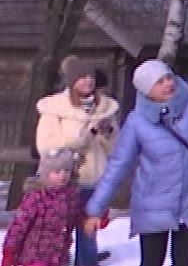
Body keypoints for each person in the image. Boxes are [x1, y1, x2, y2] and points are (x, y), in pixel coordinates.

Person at [84, 60, 188, 266]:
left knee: (184, 262)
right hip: (152, 203)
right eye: (159, 82)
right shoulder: (137, 121)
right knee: (152, 262)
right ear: (146, 90)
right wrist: (95, 209)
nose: (168, 84)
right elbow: (118, 166)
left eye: (168, 77)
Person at [37, 58, 121, 266]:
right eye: (82, 77)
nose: (88, 82)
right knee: (59, 228)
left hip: (95, 178)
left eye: (91, 77)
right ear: (72, 81)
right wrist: (82, 135)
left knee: (89, 226)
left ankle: (87, 261)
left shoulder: (105, 108)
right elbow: (46, 146)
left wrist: (106, 133)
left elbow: (115, 147)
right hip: (65, 179)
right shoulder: (55, 108)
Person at [5, 149, 88, 266]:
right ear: (45, 172)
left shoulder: (72, 196)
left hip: (60, 256)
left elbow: (79, 215)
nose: (63, 175)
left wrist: (94, 217)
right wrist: (10, 251)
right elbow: (19, 225)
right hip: (35, 256)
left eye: (67, 170)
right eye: (57, 171)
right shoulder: (36, 196)